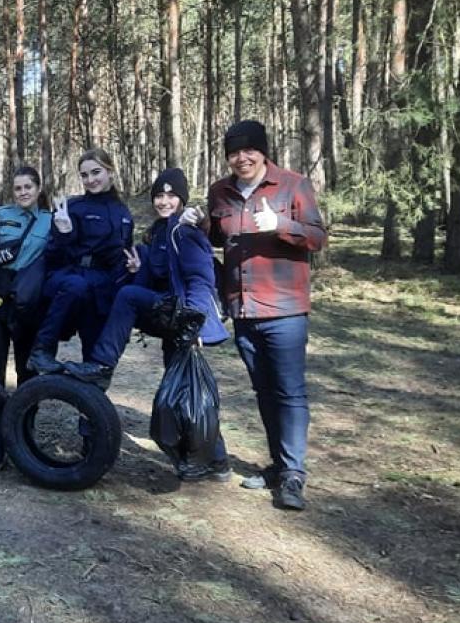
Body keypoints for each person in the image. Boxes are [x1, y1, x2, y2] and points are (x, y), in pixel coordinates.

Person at [183, 120, 327, 510]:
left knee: (290, 391)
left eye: (249, 150)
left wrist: (281, 225)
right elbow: (218, 236)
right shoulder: (220, 191)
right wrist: (202, 224)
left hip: (284, 308)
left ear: (263, 151)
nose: (241, 158)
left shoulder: (293, 185)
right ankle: (279, 466)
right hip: (242, 309)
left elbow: (317, 237)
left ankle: (294, 473)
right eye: (234, 152)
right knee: (263, 390)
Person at [63, 167, 231, 481]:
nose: (164, 201)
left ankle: (101, 365)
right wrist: (139, 267)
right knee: (180, 385)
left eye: (171, 195)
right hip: (169, 311)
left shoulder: (185, 231)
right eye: (159, 195)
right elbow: (154, 281)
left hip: (184, 318)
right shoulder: (158, 231)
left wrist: (194, 325)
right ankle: (214, 459)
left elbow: (201, 280)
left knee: (185, 386)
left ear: (181, 199)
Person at [26, 149, 135, 375]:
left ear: (110, 172)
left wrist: (131, 271)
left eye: (96, 172)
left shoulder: (123, 212)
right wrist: (64, 233)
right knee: (77, 286)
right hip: (71, 279)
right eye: (84, 175)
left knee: (94, 358)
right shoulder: (72, 208)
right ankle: (41, 351)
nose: (90, 180)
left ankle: (91, 405)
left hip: (103, 285)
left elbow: (123, 255)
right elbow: (53, 256)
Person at [0, 167, 52, 389]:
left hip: (28, 297)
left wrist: (66, 233)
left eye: (28, 187)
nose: (23, 192)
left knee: (27, 366)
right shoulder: (2, 214)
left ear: (38, 189)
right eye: (18, 188)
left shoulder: (50, 221)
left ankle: (24, 422)